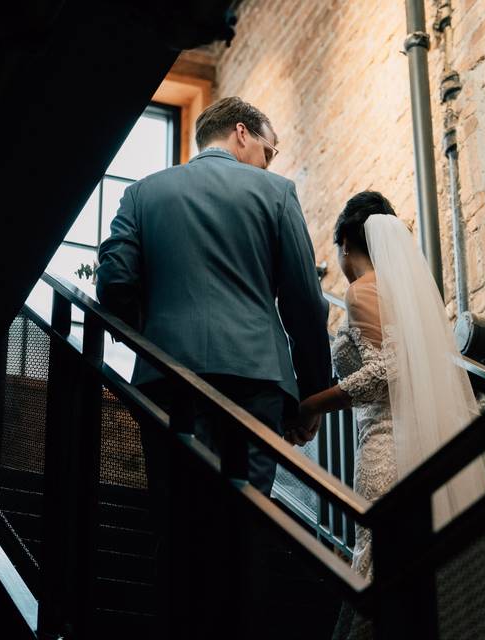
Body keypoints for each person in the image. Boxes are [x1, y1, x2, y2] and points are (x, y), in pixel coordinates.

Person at [96, 96, 331, 632]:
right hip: (255, 381)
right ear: (243, 134)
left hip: (167, 378)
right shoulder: (276, 193)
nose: (269, 163)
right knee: (245, 524)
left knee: (176, 523)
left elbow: (115, 284)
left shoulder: (142, 193)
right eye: (268, 151)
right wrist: (313, 392)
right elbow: (304, 302)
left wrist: (158, 332)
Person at [297, 191, 485, 639]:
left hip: (387, 446)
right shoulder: (402, 296)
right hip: (419, 443)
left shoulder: (360, 290)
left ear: (346, 244)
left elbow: (387, 369)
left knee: (384, 565)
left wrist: (315, 402)